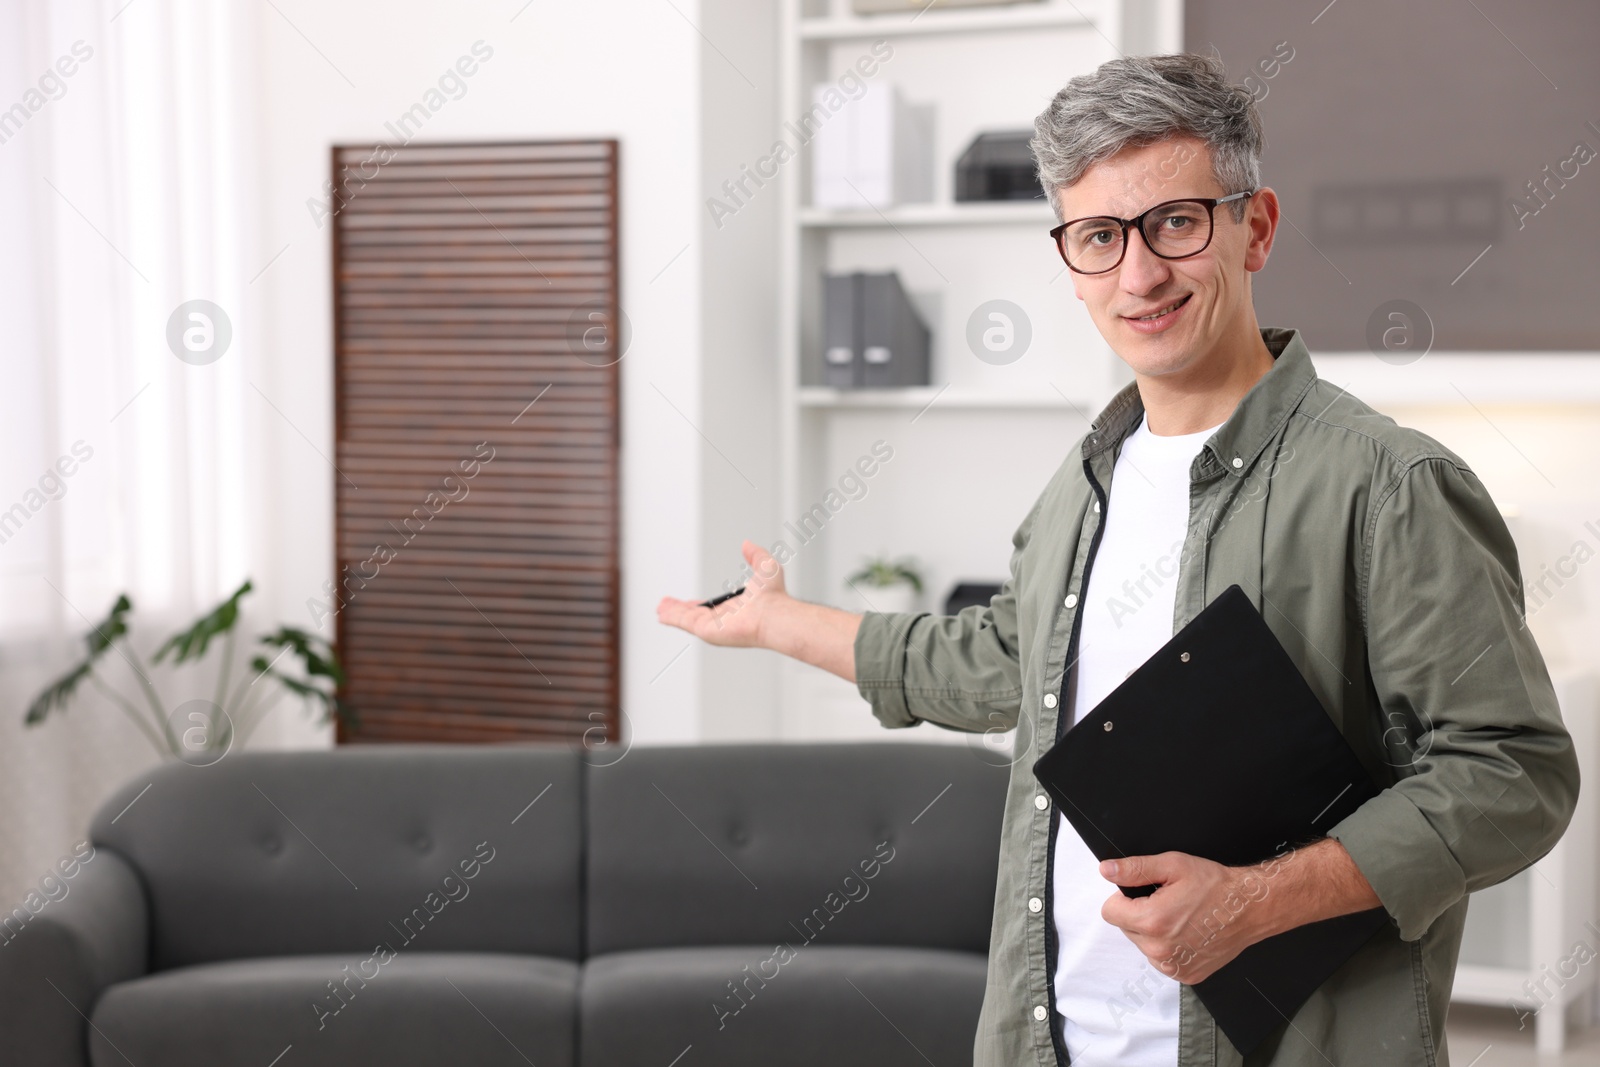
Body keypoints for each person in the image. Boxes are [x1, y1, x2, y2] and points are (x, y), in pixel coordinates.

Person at [657, 51, 1579, 1067]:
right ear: (1070, 260)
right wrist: (777, 619)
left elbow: (1513, 773)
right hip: (1051, 1039)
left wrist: (1254, 901)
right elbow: (1003, 660)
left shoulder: (1388, 483)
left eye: (1174, 223)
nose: (1138, 275)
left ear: (1254, 226)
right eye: (1098, 237)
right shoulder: (1081, 483)